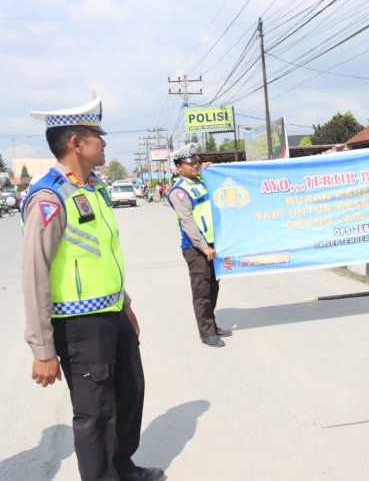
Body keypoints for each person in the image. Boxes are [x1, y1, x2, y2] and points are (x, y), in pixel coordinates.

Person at [21, 97, 164, 481]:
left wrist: (125, 303)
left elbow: (103, 255)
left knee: (129, 393)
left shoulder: (94, 189)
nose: (103, 143)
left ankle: (122, 467)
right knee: (95, 413)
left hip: (112, 314)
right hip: (79, 325)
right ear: (75, 143)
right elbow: (35, 275)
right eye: (96, 136)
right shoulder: (49, 197)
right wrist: (43, 349)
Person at [168, 143, 232, 347]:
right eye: (190, 163)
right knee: (202, 291)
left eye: (197, 162)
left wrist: (210, 169)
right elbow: (187, 222)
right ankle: (206, 333)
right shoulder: (178, 192)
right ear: (179, 167)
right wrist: (203, 246)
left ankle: (211, 324)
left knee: (214, 286)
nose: (195, 166)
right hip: (196, 248)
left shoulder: (203, 182)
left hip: (214, 244)